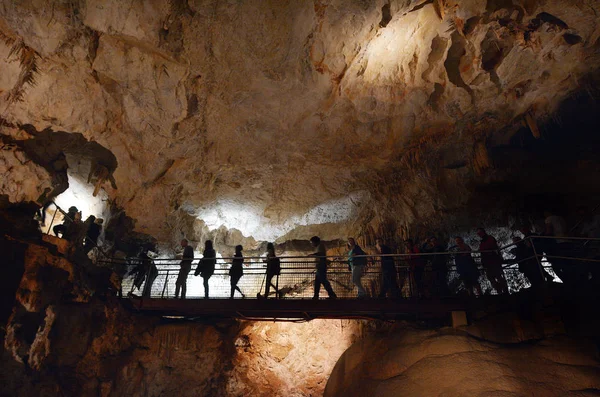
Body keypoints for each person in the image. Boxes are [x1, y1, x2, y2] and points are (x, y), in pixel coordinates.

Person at [477, 228, 508, 294]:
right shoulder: (482, 241)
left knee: (498, 276)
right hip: (487, 261)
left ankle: (505, 291)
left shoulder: (490, 238)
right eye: (478, 234)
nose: (479, 234)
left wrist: (499, 257)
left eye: (480, 233)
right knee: (491, 277)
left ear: (484, 232)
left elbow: (494, 247)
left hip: (493, 260)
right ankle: (499, 290)